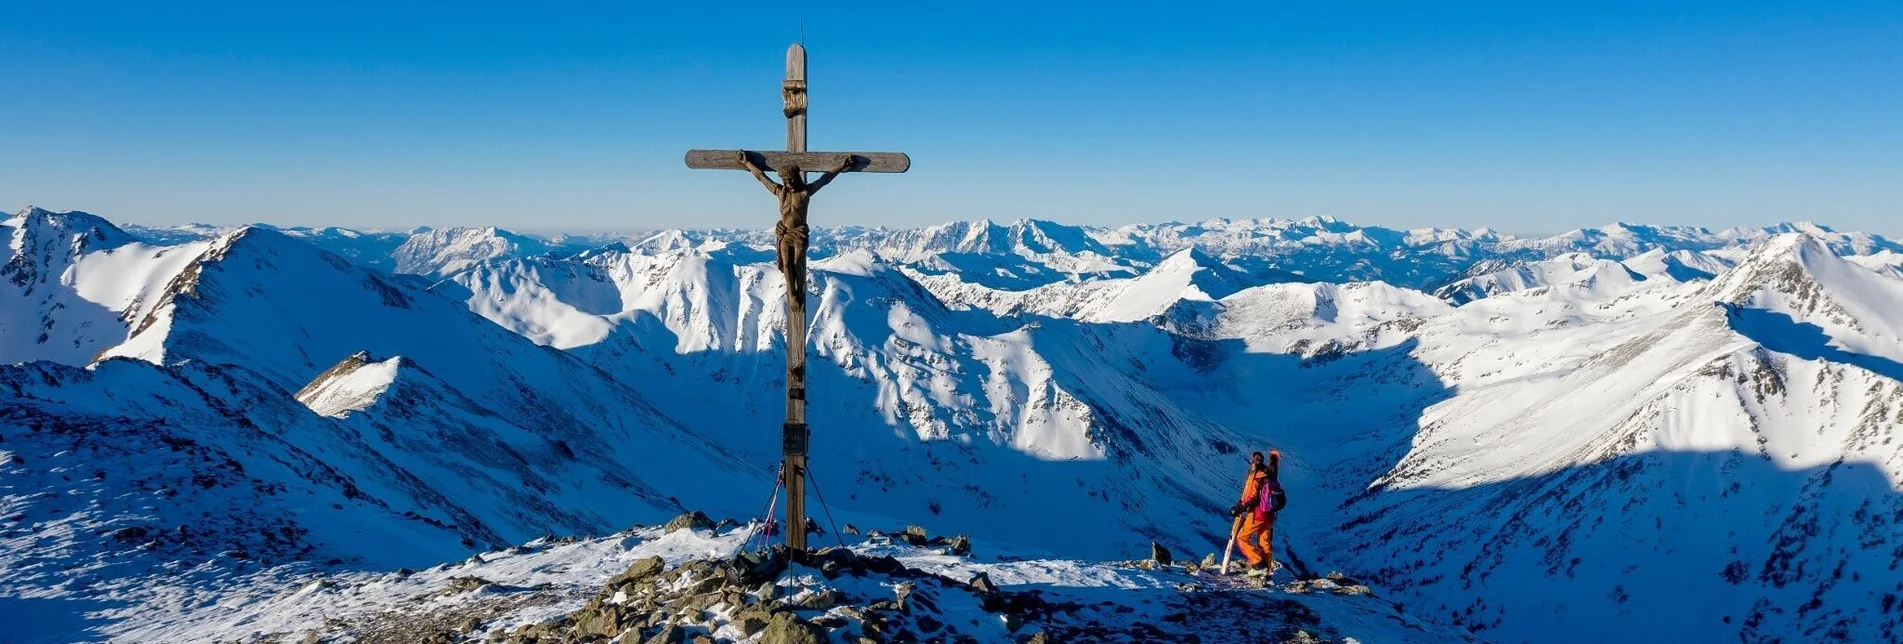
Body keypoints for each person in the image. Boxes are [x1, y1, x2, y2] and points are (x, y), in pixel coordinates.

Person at [1229, 450, 1284, 574]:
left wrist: (1238, 509)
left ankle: (1258, 565)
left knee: (1242, 538)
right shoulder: (1270, 473)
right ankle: (1267, 570)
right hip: (1269, 515)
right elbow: (1274, 465)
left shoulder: (1255, 476)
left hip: (1257, 514)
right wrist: (1274, 458)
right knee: (1264, 543)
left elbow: (1250, 496)